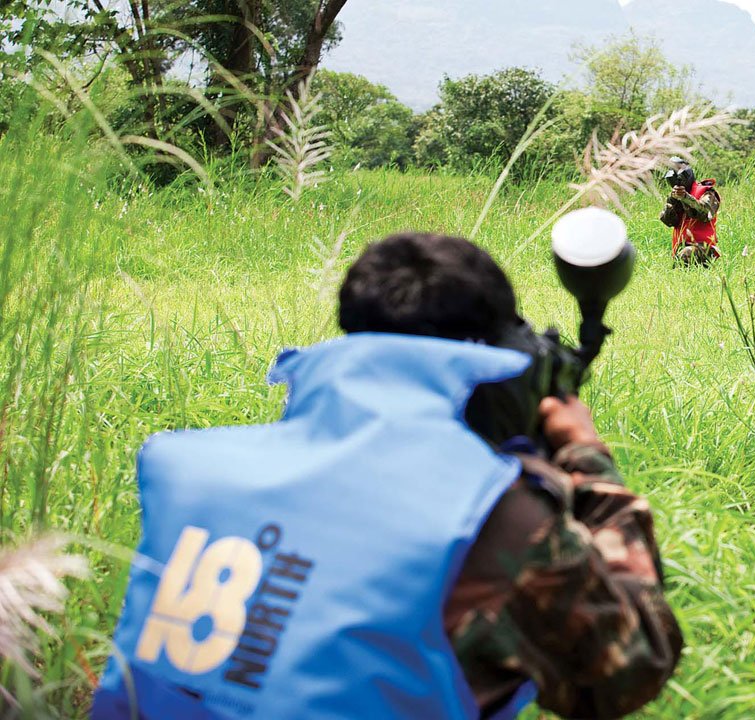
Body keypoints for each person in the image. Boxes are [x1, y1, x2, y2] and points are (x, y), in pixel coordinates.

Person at [93, 233, 682, 720]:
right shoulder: (481, 512)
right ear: (490, 357)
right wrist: (585, 456)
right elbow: (630, 669)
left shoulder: (192, 467)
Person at [660, 156, 721, 266]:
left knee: (685, 254)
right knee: (682, 256)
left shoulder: (707, 192)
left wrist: (685, 198)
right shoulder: (674, 197)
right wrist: (673, 201)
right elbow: (668, 220)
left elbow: (705, 213)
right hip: (681, 249)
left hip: (705, 249)